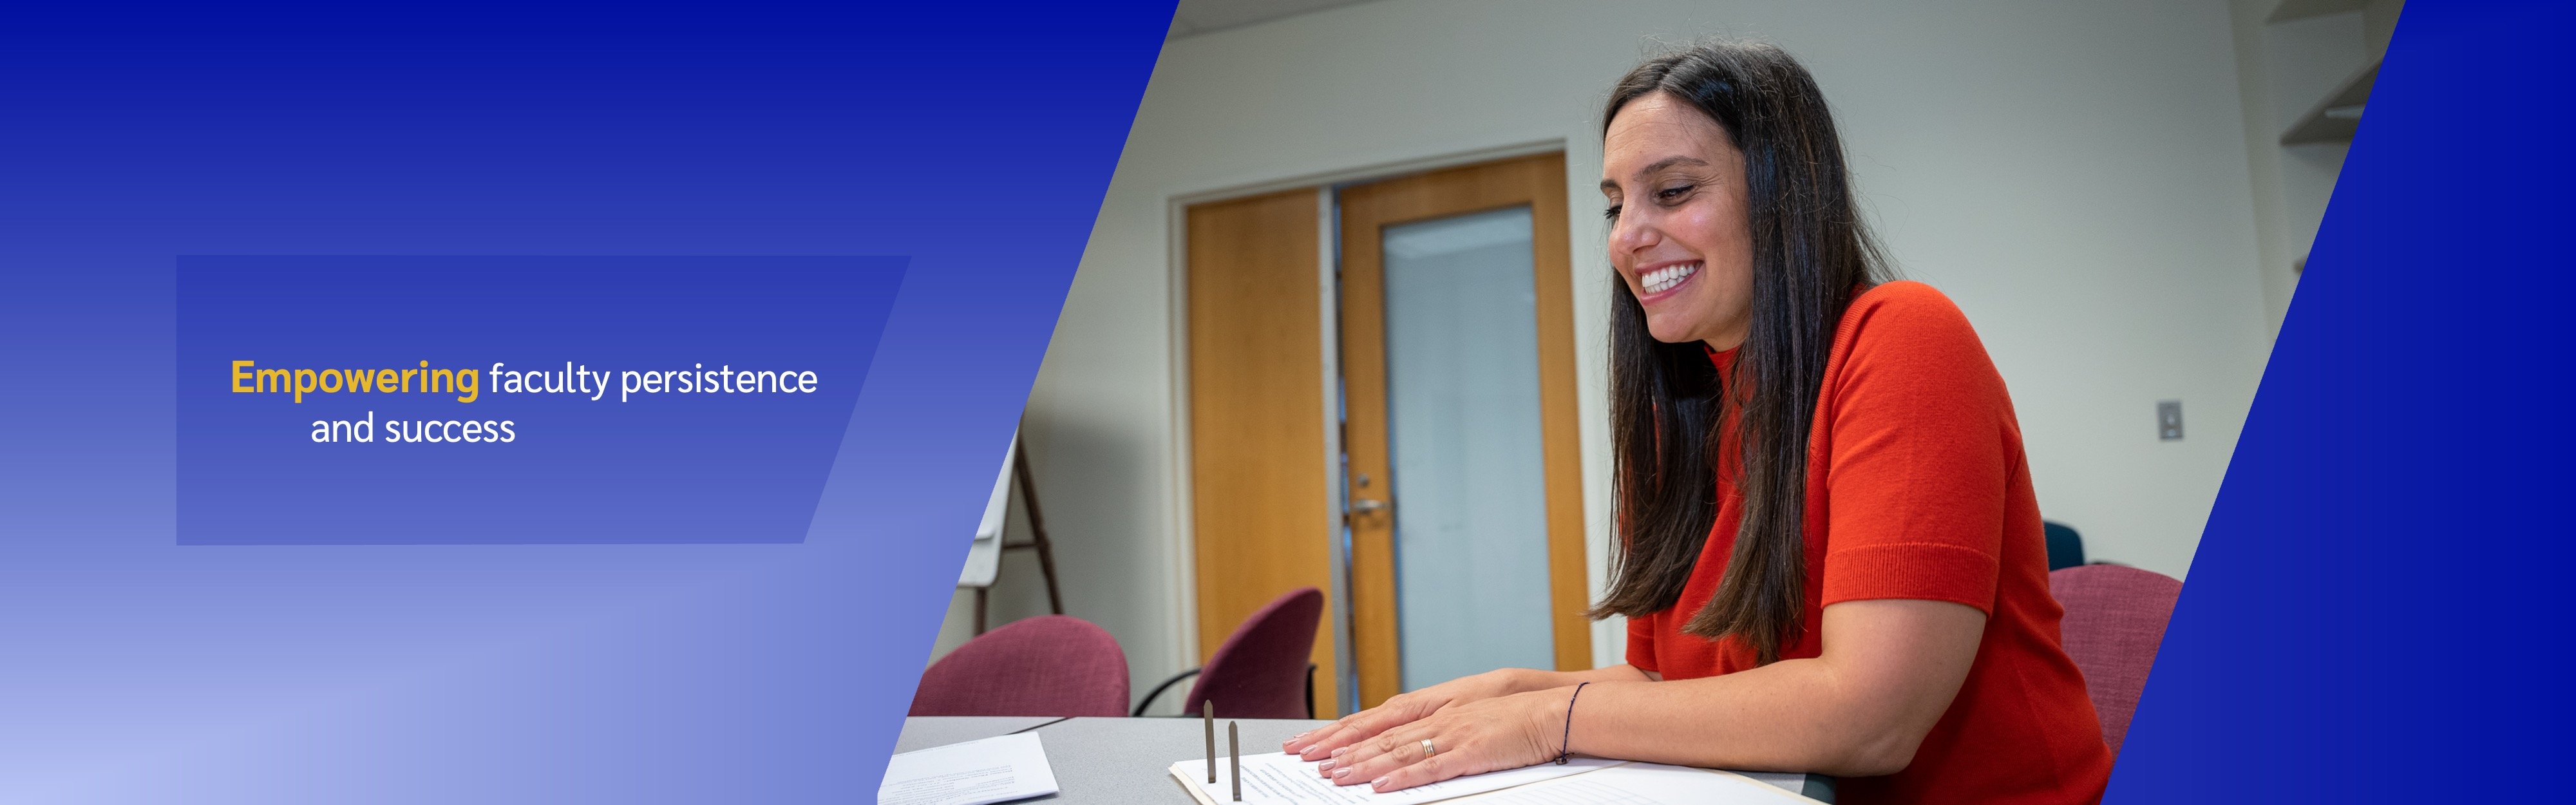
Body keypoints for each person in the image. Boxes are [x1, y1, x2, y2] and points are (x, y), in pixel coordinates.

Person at [1279, 41, 2114, 804]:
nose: (1629, 236)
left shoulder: (1903, 337)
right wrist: (1512, 691)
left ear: (1787, 196)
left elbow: (1871, 713)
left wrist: (1549, 718)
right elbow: (1664, 685)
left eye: (1673, 191)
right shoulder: (1675, 411)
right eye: (1615, 204)